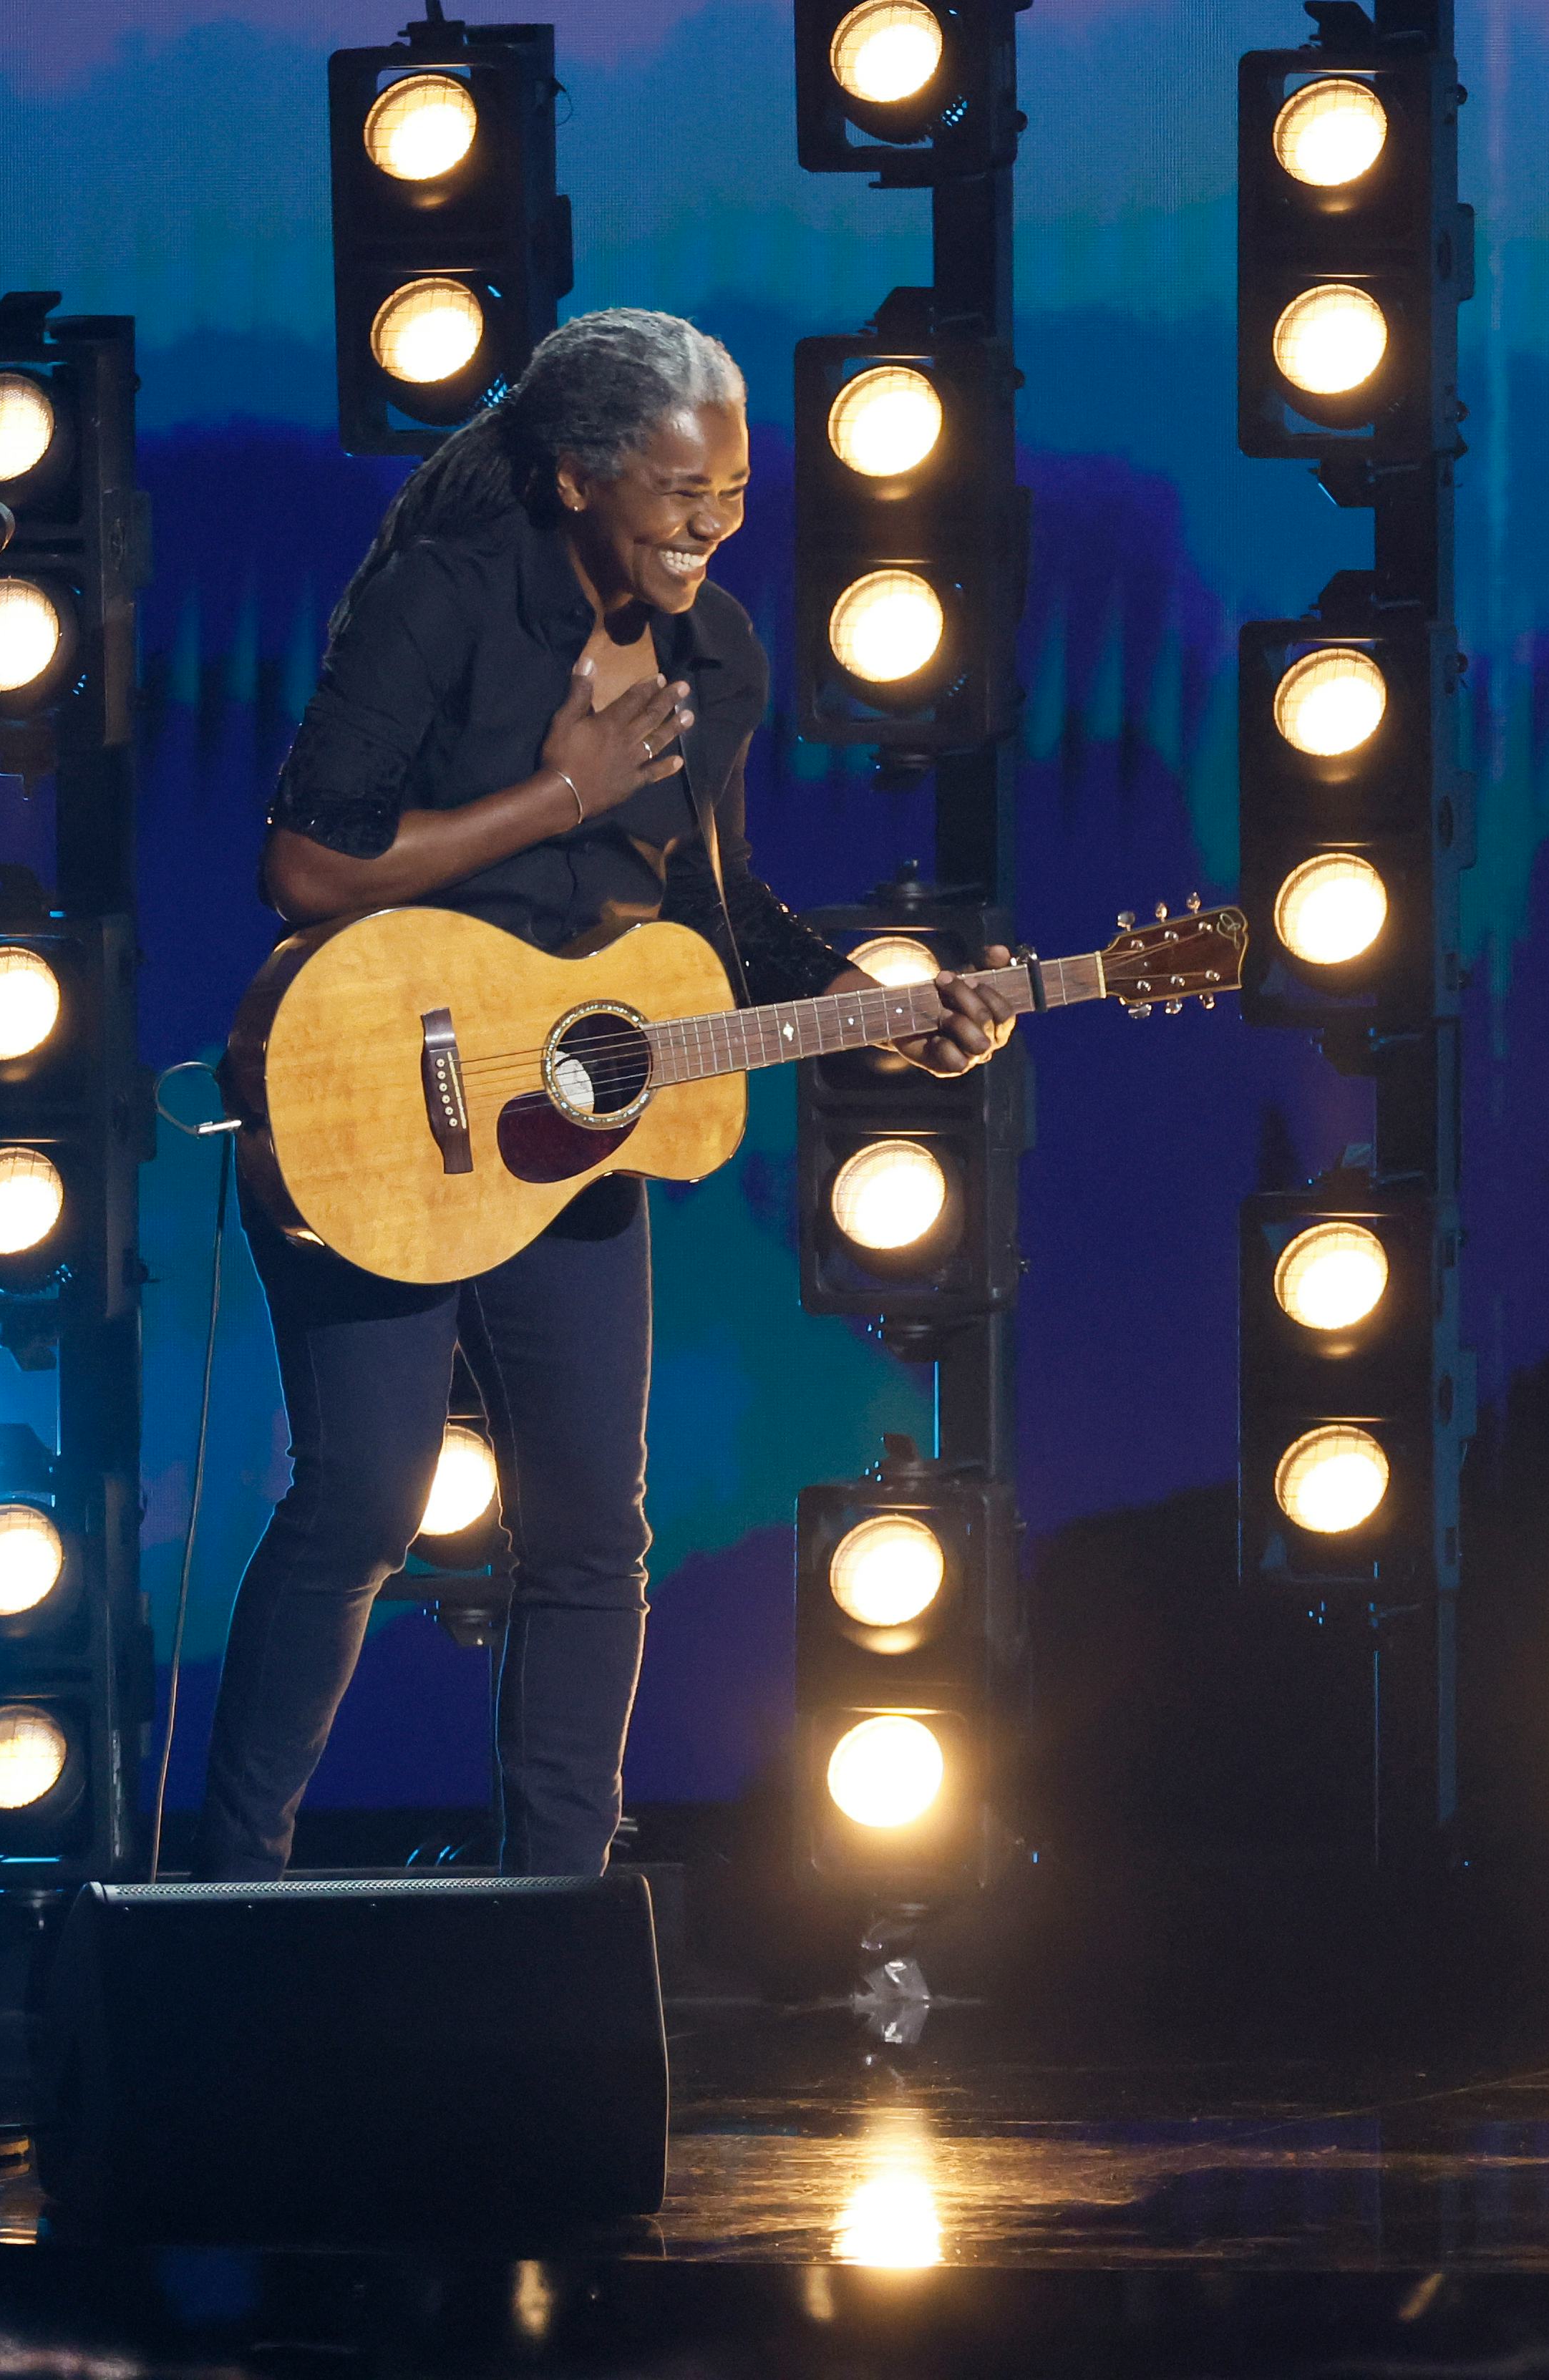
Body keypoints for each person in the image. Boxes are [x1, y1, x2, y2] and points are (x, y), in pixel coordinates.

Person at [195, 309, 1018, 1882]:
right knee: (364, 1501)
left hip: (570, 1128)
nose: (712, 522)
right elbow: (305, 864)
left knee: (591, 1538)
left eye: (736, 493)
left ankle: (553, 1908)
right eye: (679, 488)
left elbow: (718, 917)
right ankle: (234, 1896)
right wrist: (561, 792)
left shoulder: (719, 657)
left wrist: (867, 1005)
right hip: (374, 1082)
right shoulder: (446, 601)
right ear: (578, 479)